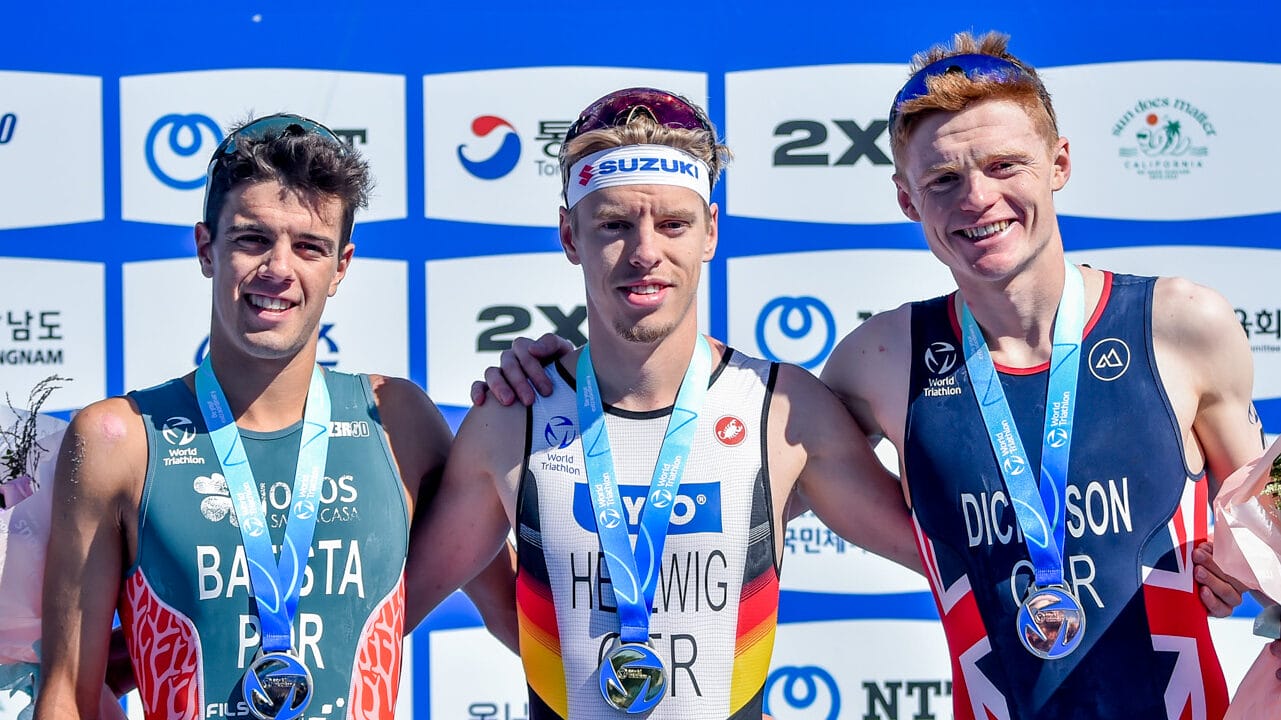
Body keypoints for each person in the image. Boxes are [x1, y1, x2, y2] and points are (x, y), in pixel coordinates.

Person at [479, 35, 1269, 720]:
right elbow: (703, 447)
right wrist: (561, 380)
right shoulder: (881, 358)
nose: (978, 199)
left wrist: (1233, 564)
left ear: (1058, 163)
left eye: (1003, 165)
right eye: (943, 180)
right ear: (905, 199)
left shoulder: (1180, 323)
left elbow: (1268, 537)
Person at [404, 87, 921, 719]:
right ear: (569, 236)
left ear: (710, 232)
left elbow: (961, 566)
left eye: (673, 224)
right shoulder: (513, 417)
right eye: (614, 225)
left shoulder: (785, 410)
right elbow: (375, 621)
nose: (646, 252)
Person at [34, 114, 507, 720]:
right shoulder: (119, 439)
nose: (279, 269)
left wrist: (568, 382)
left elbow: (528, 620)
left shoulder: (397, 420)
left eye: (309, 246)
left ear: (341, 266)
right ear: (206, 248)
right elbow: (67, 698)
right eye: (253, 239)